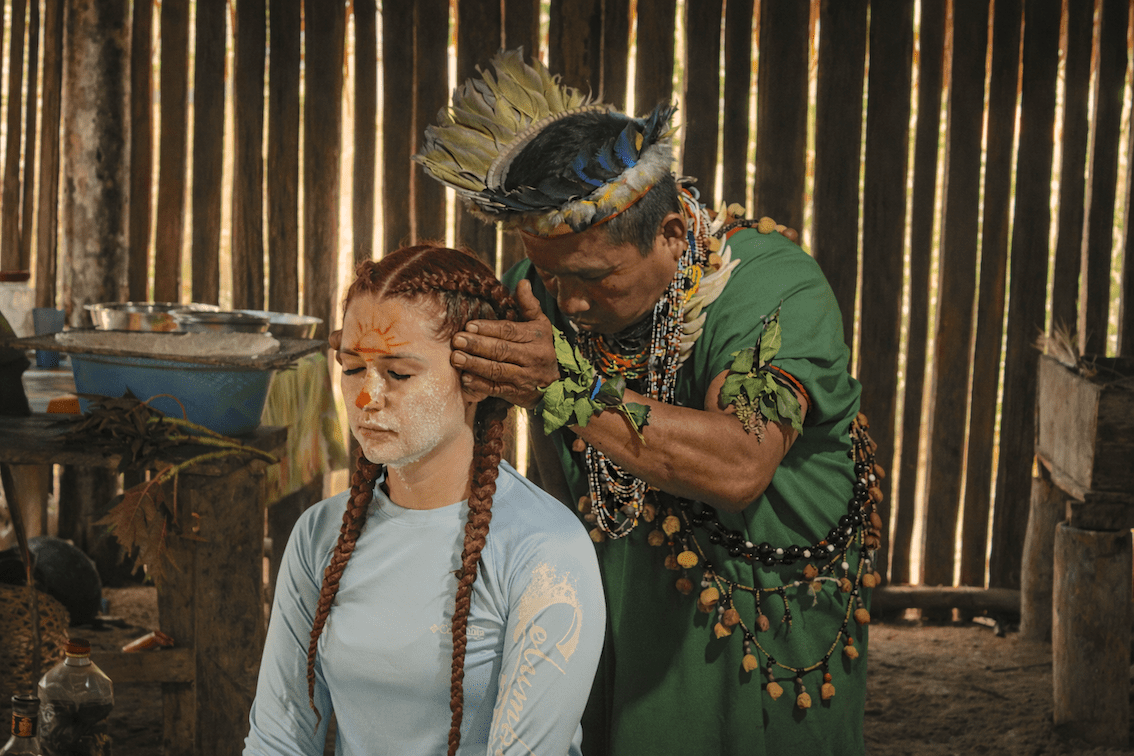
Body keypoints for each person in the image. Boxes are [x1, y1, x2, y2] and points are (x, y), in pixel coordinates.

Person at [414, 49, 882, 755]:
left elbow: (738, 465)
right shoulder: (539, 296)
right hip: (609, 622)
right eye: (550, 274)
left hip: (758, 632)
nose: (569, 302)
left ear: (668, 235)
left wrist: (562, 386)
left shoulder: (771, 291)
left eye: (594, 278)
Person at [244, 244, 605, 756]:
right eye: (352, 369)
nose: (366, 397)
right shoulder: (318, 535)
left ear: (478, 377)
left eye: (399, 373)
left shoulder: (547, 552)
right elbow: (277, 739)